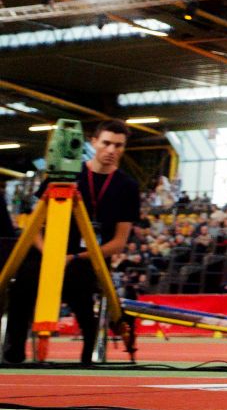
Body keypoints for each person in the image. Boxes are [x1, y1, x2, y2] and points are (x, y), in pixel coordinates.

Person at [4, 120, 141, 365]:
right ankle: (13, 352)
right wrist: (49, 253)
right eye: (106, 143)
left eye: (118, 146)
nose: (111, 150)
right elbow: (32, 226)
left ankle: (88, 355)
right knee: (23, 281)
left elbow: (118, 243)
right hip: (48, 252)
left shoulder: (128, 187)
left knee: (81, 285)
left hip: (89, 259)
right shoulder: (62, 177)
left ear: (124, 148)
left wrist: (75, 257)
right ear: (93, 142)